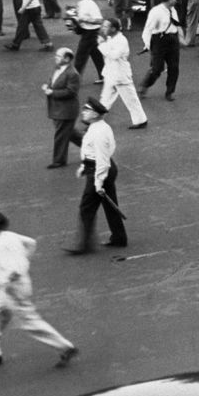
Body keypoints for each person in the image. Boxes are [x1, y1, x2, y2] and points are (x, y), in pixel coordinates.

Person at [0, 211, 77, 367]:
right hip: (9, 288)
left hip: (14, 290)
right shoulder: (9, 235)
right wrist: (25, 258)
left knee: (30, 322)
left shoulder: (0, 245)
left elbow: (14, 270)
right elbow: (31, 242)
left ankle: (66, 347)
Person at [64, 97, 127, 254]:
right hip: (101, 168)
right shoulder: (98, 127)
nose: (83, 112)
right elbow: (100, 152)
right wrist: (85, 166)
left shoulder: (98, 132)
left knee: (86, 207)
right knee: (110, 205)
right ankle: (119, 238)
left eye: (87, 110)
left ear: (94, 114)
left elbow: (102, 159)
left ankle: (82, 244)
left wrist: (98, 182)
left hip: (100, 171)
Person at [97, 18, 148, 130]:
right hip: (111, 74)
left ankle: (141, 120)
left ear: (114, 29)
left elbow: (114, 55)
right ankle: (95, 120)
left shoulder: (121, 40)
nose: (103, 29)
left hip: (120, 75)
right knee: (105, 99)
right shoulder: (111, 38)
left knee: (130, 99)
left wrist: (101, 44)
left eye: (106, 27)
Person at [137, 0, 181, 102]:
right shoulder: (156, 12)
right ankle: (144, 85)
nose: (175, 0)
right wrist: (147, 44)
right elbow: (148, 29)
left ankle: (170, 92)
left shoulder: (173, 10)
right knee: (157, 69)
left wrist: (180, 38)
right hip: (159, 40)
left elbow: (176, 24)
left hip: (172, 40)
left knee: (174, 67)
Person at [42, 47, 80, 168]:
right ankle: (93, 146)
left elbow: (71, 92)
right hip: (58, 109)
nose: (56, 58)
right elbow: (52, 81)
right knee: (69, 134)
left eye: (59, 56)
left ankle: (59, 160)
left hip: (66, 110)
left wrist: (51, 92)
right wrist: (48, 86)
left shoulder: (72, 74)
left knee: (61, 134)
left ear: (67, 58)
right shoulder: (58, 69)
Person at [70, 0, 104, 79]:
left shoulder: (90, 4)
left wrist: (84, 19)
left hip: (90, 33)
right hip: (87, 32)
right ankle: (104, 76)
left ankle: (74, 79)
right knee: (97, 56)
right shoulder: (81, 3)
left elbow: (99, 20)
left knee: (80, 57)